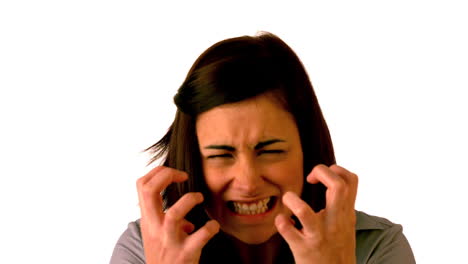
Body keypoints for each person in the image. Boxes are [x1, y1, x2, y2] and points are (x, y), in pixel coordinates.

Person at [110, 32, 415, 264]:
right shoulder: (144, 248)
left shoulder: (377, 246)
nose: (248, 181)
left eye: (270, 151)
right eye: (220, 155)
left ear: (308, 153)